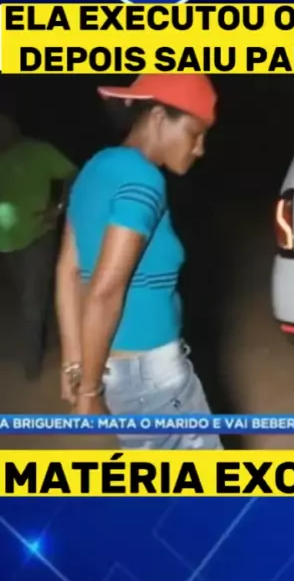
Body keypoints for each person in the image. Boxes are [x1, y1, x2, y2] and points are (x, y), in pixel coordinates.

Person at [55, 74, 223, 450]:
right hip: (152, 377)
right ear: (159, 117)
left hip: (122, 373)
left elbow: (68, 271)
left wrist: (74, 362)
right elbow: (106, 290)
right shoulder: (144, 179)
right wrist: (88, 391)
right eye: (195, 134)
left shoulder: (93, 169)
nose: (200, 149)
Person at [0, 115, 77, 380]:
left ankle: (31, 365)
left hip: (37, 235)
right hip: (6, 243)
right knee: (28, 296)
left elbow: (72, 174)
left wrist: (59, 207)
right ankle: (45, 339)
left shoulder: (38, 151)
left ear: (14, 128)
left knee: (31, 301)